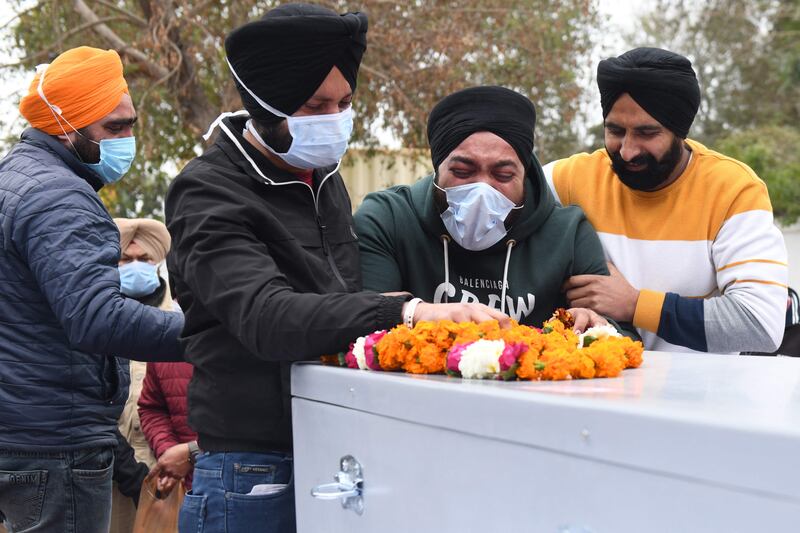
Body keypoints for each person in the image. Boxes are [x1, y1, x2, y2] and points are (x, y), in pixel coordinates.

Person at [164, 5, 507, 533]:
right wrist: (408, 311)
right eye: (314, 104)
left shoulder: (323, 177)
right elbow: (267, 318)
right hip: (253, 470)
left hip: (330, 446)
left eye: (344, 102)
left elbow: (336, 298)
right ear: (263, 105)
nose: (334, 119)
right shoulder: (208, 192)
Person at [0, 47, 183, 533]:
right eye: (115, 128)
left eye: (130, 125)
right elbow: (96, 318)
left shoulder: (14, 179)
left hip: (25, 430)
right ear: (67, 126)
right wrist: (209, 332)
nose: (129, 140)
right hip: (56, 440)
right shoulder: (59, 196)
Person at [543, 47, 788, 353]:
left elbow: (760, 325)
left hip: (700, 397)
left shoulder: (733, 190)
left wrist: (635, 304)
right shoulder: (569, 179)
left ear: (680, 131)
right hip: (593, 390)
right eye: (615, 130)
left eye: (647, 132)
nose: (628, 150)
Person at [354, 86, 620, 333]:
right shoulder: (387, 219)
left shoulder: (569, 234)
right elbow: (359, 326)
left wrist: (597, 327)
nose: (482, 190)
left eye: (503, 175)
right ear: (438, 167)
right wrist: (410, 314)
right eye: (462, 172)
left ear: (524, 174)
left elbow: (624, 338)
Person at [109, 218, 173, 533]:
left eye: (144, 259)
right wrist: (127, 471)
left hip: (168, 466)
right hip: (108, 467)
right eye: (126, 259)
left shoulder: (176, 317)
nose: (136, 266)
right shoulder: (97, 321)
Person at [138, 359, 197, 492]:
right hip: (183, 485)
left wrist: (194, 451)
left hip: (242, 484)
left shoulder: (246, 342)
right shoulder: (166, 348)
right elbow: (153, 409)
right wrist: (168, 451)